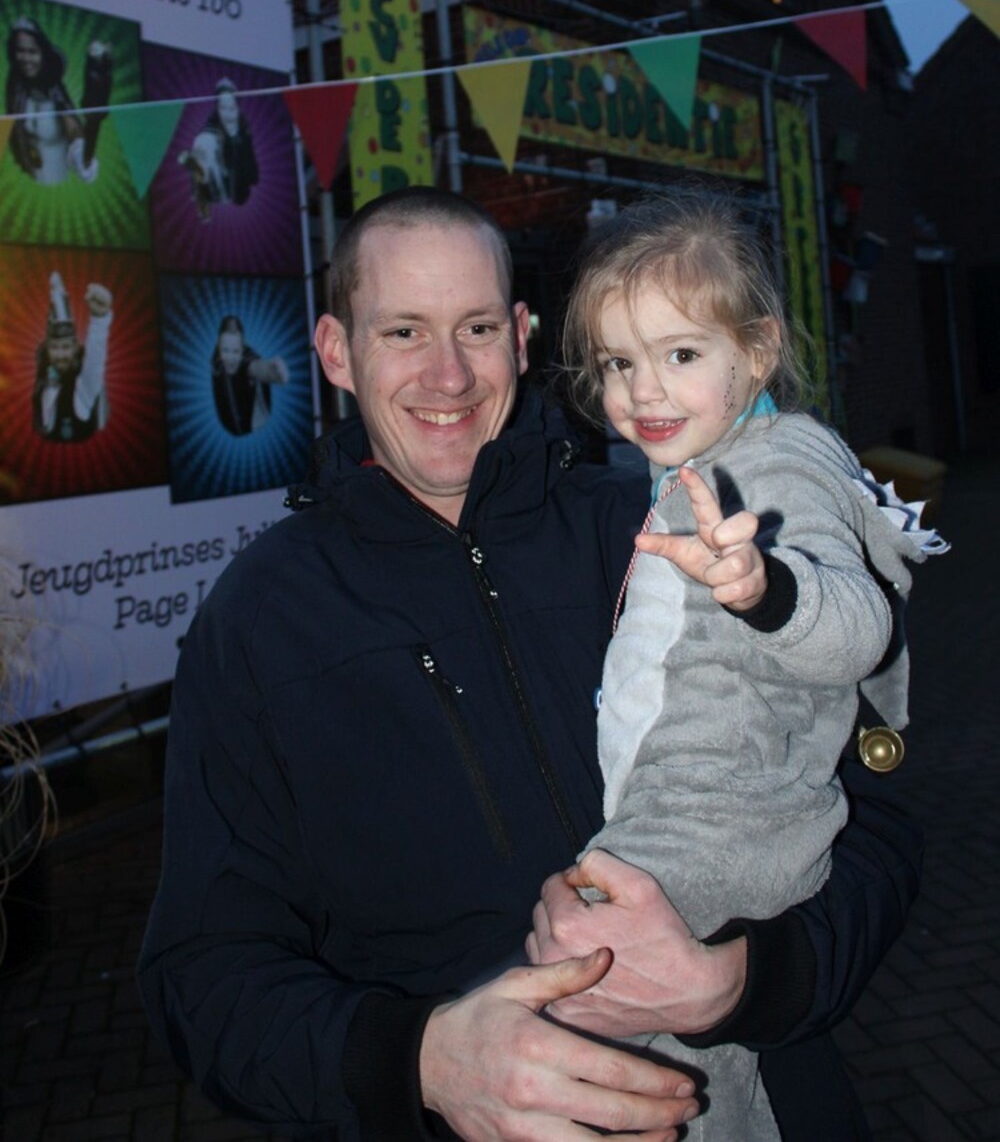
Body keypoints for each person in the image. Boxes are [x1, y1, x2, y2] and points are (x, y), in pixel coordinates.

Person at [138, 186, 922, 1142]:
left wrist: (742, 981)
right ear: (337, 352)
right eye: (403, 333)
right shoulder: (258, 622)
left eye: (476, 329)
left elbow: (873, 815)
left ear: (519, 337)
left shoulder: (665, 532)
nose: (448, 374)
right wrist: (424, 1062)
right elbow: (203, 978)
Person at [541, 187, 946, 1139]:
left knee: (592, 1021)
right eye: (618, 363)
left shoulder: (782, 461)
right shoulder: (686, 468)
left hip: (727, 818)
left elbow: (861, 629)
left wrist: (767, 587)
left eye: (680, 355)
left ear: (756, 352)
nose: (644, 392)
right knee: (679, 1066)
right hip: (687, 813)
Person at [5, 15, 112, 185]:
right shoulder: (15, 86)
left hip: (58, 183)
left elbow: (72, 127)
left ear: (43, 53)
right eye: (20, 51)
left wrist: (80, 150)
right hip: (27, 180)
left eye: (32, 52)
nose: (25, 59)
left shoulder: (54, 90)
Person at [33, 272, 113, 442]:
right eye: (55, 347)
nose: (61, 355)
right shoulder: (41, 380)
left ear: (76, 348)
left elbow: (95, 359)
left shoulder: (85, 386)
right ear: (47, 349)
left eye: (66, 347)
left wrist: (99, 319)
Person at [179, 79, 258, 222]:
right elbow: (200, 179)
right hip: (219, 202)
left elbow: (253, 173)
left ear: (238, 108)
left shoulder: (244, 132)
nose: (228, 115)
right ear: (217, 109)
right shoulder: (206, 139)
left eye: (232, 108)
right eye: (223, 108)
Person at [210, 313, 289, 436]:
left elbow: (255, 367)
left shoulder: (248, 360)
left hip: (254, 423)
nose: (230, 358)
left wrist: (276, 374)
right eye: (225, 350)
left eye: (235, 351)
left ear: (242, 349)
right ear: (219, 346)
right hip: (232, 427)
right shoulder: (216, 360)